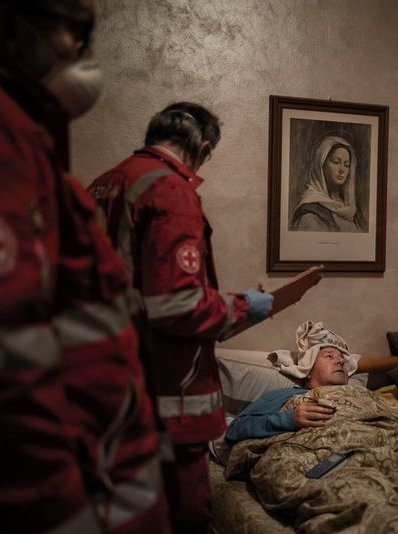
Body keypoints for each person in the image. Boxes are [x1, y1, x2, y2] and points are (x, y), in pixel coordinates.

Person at [0, 1, 168, 532]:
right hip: (71, 496)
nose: (84, 55)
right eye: (75, 32)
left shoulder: (34, 136)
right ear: (4, 24)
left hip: (99, 474)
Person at [88, 102, 275, 533]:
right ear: (203, 147)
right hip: (166, 392)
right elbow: (176, 305)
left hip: (110, 386)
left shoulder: (103, 185)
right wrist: (246, 305)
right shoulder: (171, 191)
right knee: (186, 517)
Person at [226, 323, 398, 446]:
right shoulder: (288, 397)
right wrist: (288, 419)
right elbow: (236, 429)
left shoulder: (369, 399)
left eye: (343, 359)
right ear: (307, 372)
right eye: (328, 356)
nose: (339, 361)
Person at [290, 134, 368, 232]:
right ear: (321, 165)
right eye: (336, 162)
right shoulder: (310, 213)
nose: (342, 170)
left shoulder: (351, 211)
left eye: (347, 165)